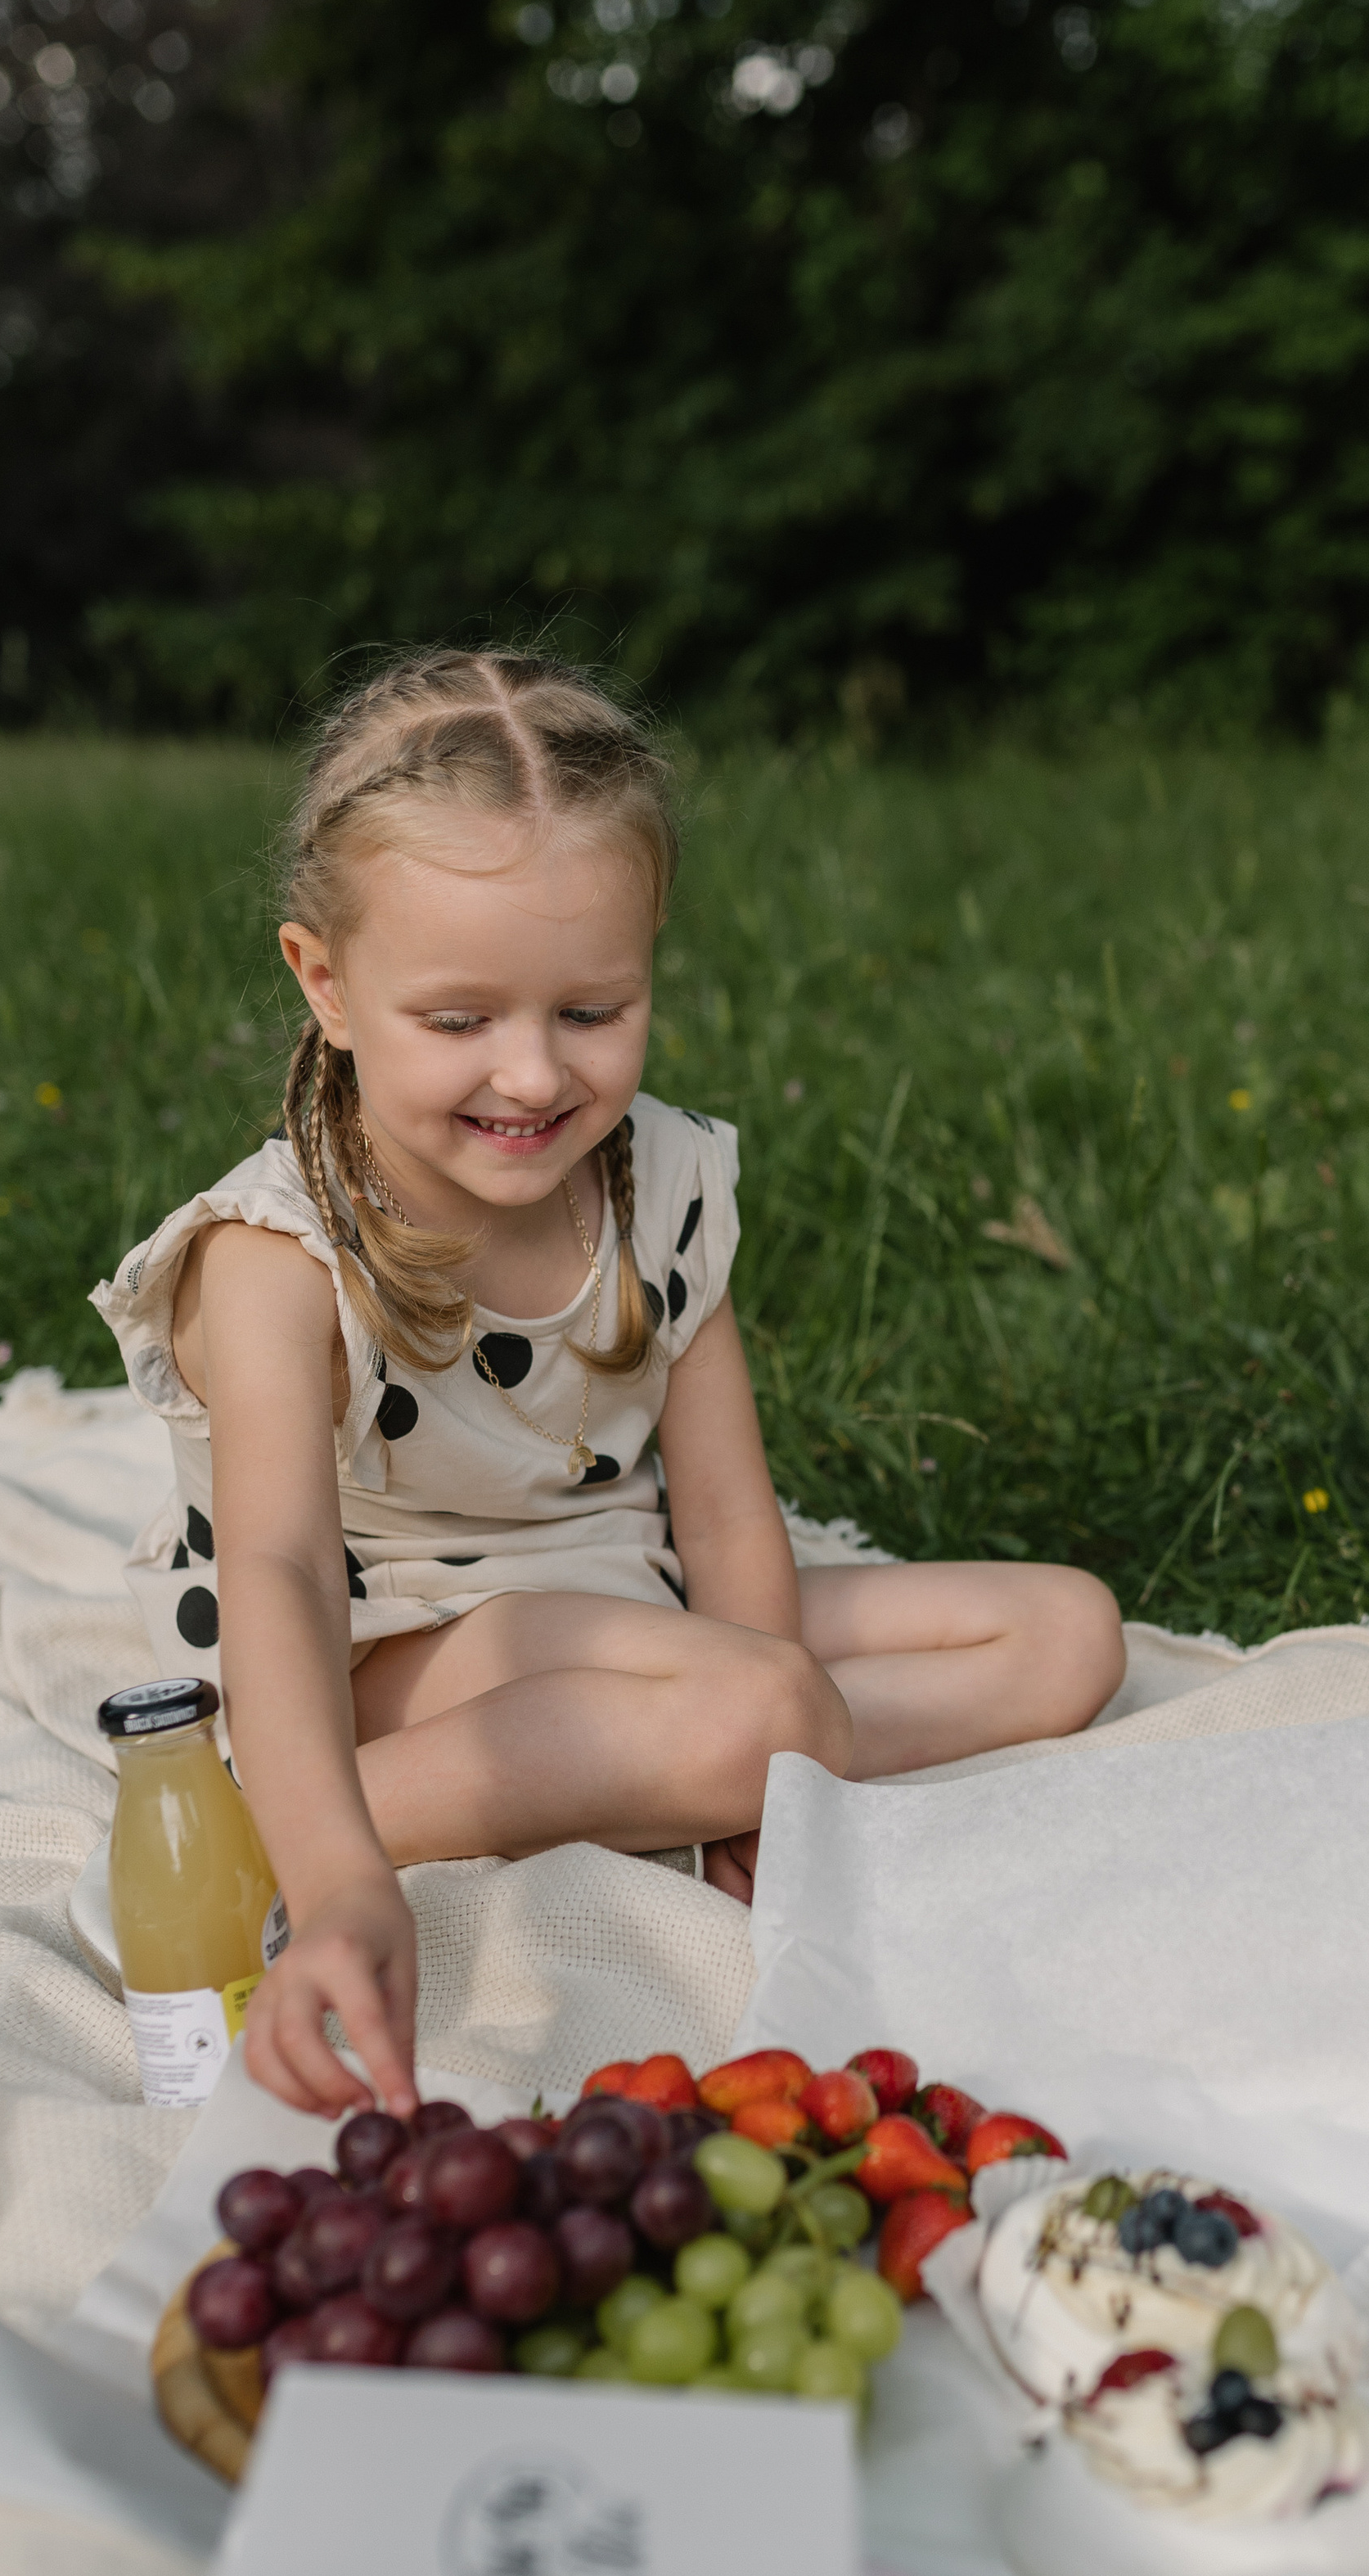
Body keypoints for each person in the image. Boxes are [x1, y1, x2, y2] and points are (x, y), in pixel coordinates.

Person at [92, 649, 1124, 2118]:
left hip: (629, 1593)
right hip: (391, 1638)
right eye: (459, 1021)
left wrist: (780, 1768)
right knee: (752, 1715)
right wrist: (341, 1888)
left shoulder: (664, 1187)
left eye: (592, 1012)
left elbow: (728, 1520)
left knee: (1065, 1634)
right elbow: (277, 1569)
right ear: (326, 984)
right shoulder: (276, 1259)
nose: (531, 1078)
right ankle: (286, 1825)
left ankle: (691, 1774)